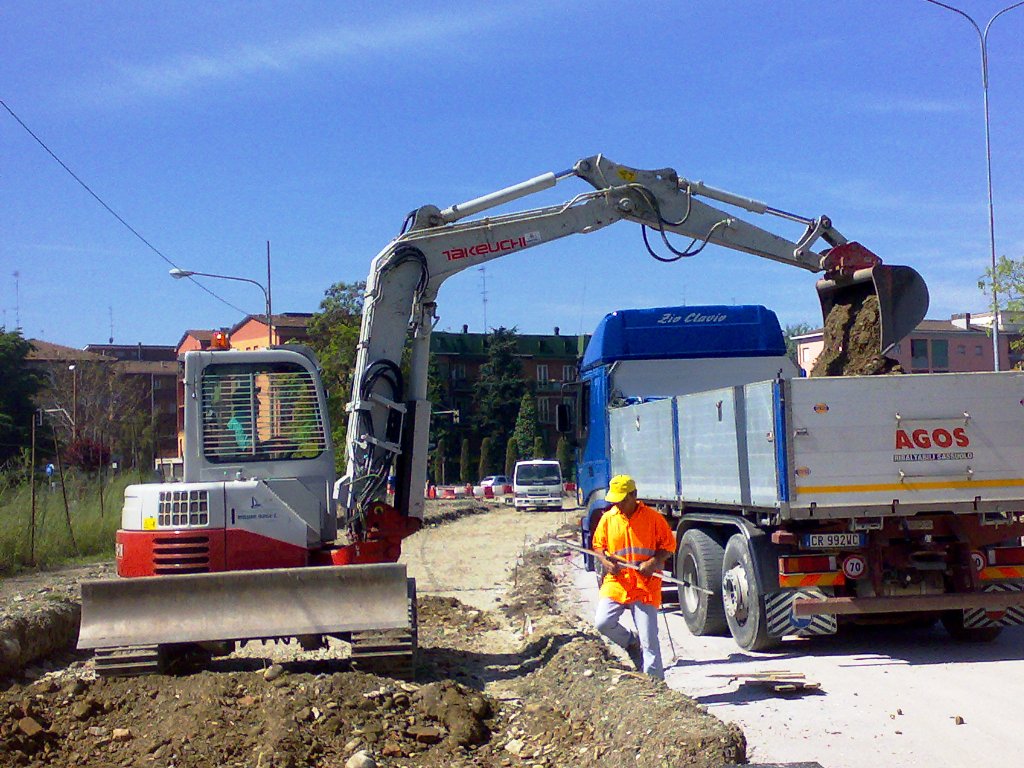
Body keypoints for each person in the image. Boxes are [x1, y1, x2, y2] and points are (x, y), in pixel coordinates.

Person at [591, 474, 675, 679]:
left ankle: (656, 685)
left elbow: (669, 546)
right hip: (618, 582)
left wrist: (653, 563)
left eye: (622, 499)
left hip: (645, 585)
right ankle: (630, 641)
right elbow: (598, 546)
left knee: (650, 642)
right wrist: (605, 562)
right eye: (615, 500)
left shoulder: (653, 518)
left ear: (634, 495)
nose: (617, 504)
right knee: (603, 622)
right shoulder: (608, 519)